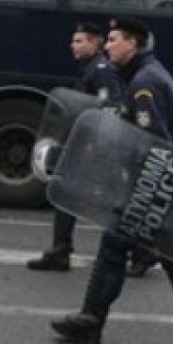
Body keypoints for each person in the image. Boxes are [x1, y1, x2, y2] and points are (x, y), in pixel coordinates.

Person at [51, 17, 173, 344]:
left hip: (157, 183)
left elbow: (155, 144)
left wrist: (146, 191)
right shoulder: (143, 75)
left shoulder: (144, 84)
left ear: (132, 43)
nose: (107, 46)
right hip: (154, 182)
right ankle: (92, 320)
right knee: (117, 244)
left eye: (114, 39)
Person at [27, 23, 124, 272]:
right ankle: (61, 249)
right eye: (74, 40)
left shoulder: (101, 71)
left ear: (94, 43)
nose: (73, 45)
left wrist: (95, 145)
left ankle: (143, 251)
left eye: (79, 41)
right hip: (84, 142)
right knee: (68, 192)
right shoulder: (89, 69)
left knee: (115, 199)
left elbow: (107, 108)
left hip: (93, 145)